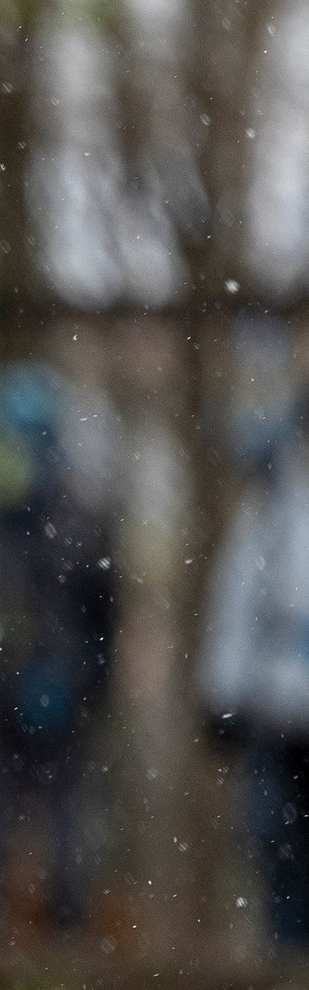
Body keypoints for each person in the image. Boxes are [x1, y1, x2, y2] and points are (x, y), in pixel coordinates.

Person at [0, 365, 118, 939]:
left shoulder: (76, 521)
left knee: (64, 819)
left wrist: (79, 679)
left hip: (60, 696)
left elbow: (101, 612)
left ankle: (65, 928)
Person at [200, 391, 309, 957]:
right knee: (279, 849)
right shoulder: (270, 513)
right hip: (279, 717)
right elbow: (237, 606)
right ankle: (286, 968)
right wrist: (222, 694)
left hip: (282, 707)